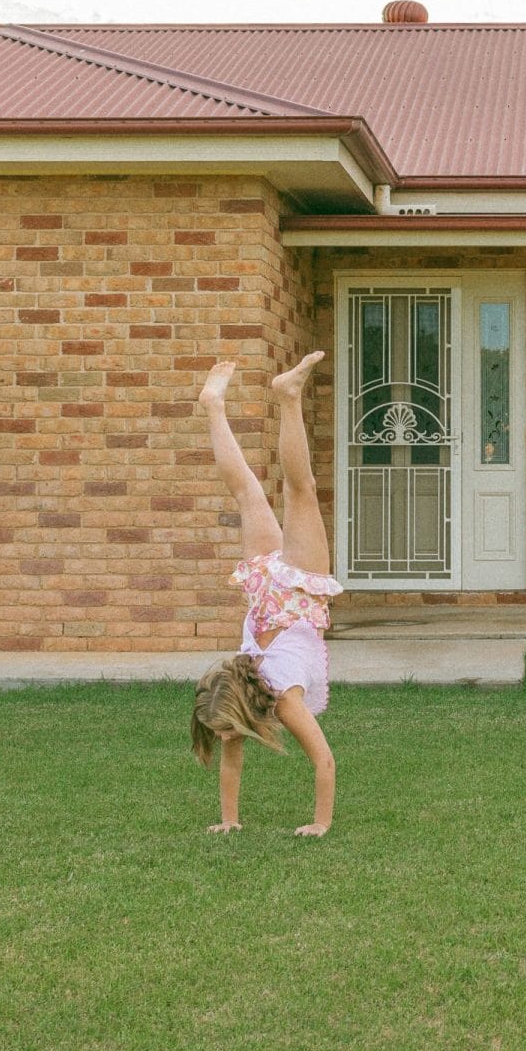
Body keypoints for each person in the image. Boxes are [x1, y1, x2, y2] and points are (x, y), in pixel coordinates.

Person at [189, 353, 341, 837]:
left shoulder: (284, 702)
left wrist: (320, 824)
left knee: (302, 490)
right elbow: (230, 764)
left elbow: (325, 761)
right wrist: (228, 821)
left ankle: (288, 396)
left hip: (293, 587)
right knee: (248, 494)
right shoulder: (233, 686)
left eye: (226, 731)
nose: (226, 740)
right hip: (265, 591)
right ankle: (213, 405)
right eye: (222, 734)